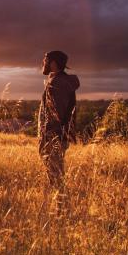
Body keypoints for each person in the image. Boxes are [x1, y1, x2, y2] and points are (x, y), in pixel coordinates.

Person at [38, 51, 80, 192]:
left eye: (45, 60)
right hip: (55, 135)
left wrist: (50, 136)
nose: (43, 63)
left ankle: (60, 203)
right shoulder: (56, 80)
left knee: (55, 172)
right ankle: (58, 200)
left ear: (53, 63)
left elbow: (57, 114)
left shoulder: (58, 83)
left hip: (54, 135)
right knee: (54, 170)